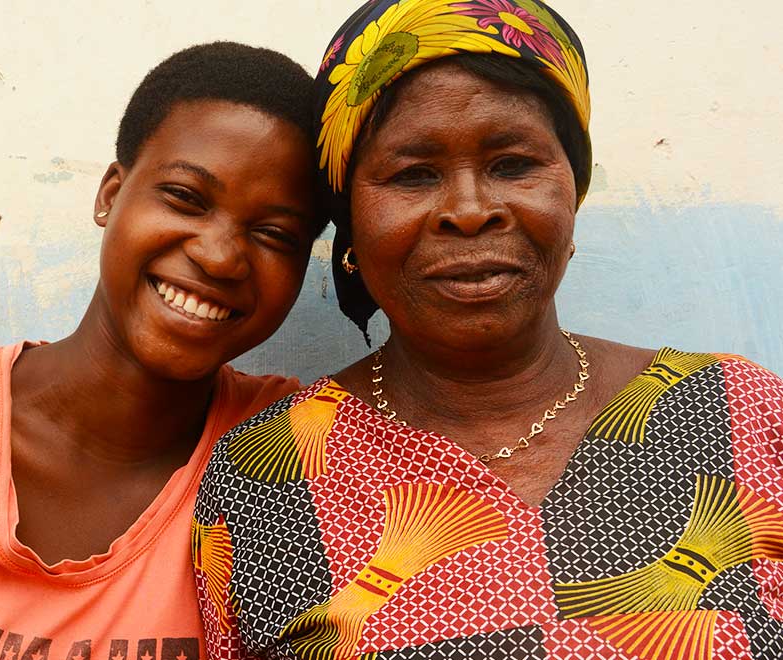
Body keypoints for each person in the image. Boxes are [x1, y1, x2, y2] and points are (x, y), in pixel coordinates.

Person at [193, 2, 783, 658]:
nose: (470, 211)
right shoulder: (266, 478)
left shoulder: (739, 414)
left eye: (513, 164)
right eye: (414, 175)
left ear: (572, 191)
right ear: (350, 225)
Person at [0, 42, 329, 660]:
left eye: (274, 234)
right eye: (186, 197)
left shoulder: (291, 447)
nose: (219, 255)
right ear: (110, 194)